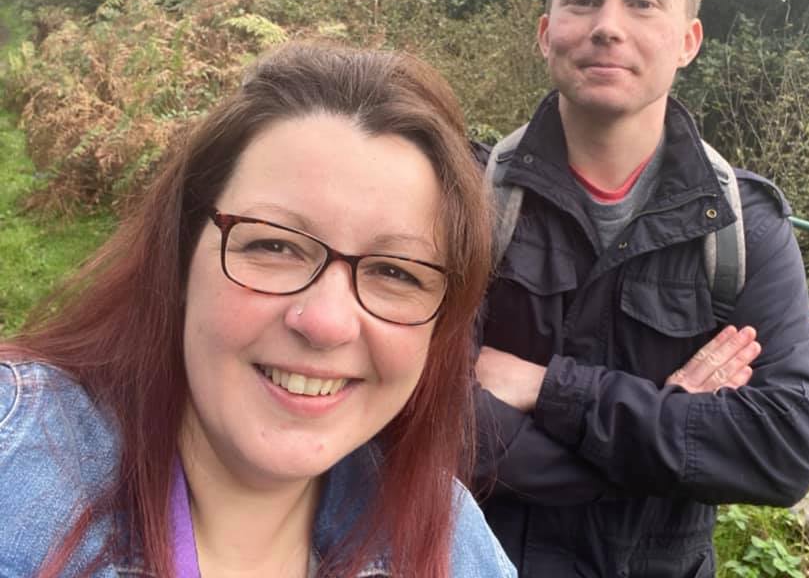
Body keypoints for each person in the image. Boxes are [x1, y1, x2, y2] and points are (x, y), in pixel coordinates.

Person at [0, 43, 516, 578]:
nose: (326, 323)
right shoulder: (14, 455)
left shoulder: (456, 546)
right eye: (274, 245)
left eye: (396, 272)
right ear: (179, 254)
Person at [473, 0, 809, 577]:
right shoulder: (470, 200)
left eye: (642, 2)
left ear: (688, 41)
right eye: (584, 0)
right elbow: (435, 415)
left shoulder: (746, 227)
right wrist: (666, 438)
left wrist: (548, 388)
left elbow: (784, 448)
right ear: (546, 33)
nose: (608, 26)